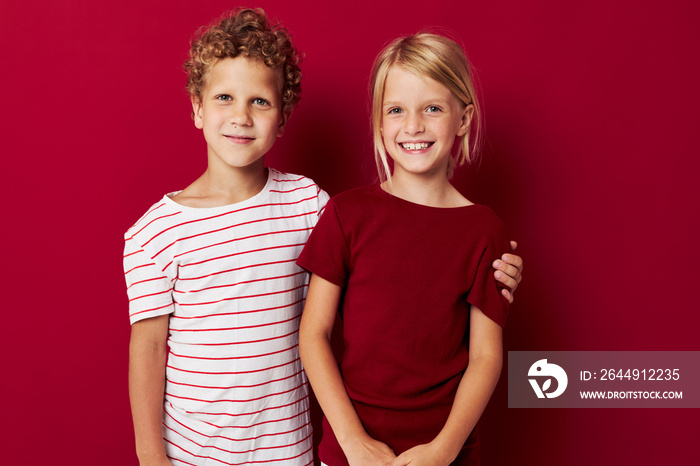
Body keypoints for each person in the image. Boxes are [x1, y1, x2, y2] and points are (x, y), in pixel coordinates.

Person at [124, 9, 522, 465]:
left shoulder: (308, 203)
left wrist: (501, 266)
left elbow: (401, 256)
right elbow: (149, 347)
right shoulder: (156, 231)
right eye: (224, 98)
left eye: (260, 101)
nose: (241, 116)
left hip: (287, 451)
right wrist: (150, 456)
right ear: (197, 107)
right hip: (194, 451)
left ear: (282, 117)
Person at [298, 32, 512, 465]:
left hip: (443, 453)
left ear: (464, 119)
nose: (413, 126)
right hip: (351, 453)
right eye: (396, 110)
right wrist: (352, 442)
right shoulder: (346, 214)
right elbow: (313, 334)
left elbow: (486, 355)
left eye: (432, 108)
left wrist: (443, 449)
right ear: (380, 121)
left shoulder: (483, 229)